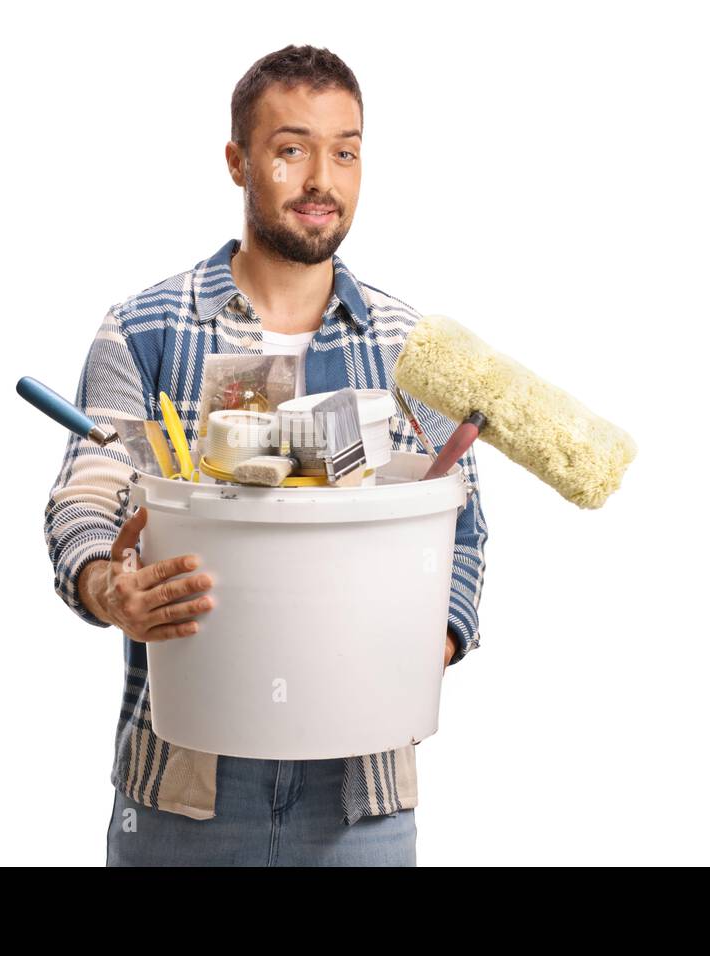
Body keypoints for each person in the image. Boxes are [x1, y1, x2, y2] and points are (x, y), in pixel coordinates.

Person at [43, 44, 488, 866]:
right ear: (237, 161)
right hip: (184, 792)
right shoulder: (145, 329)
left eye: (345, 152)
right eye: (292, 149)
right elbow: (84, 501)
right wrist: (112, 587)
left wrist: (432, 641)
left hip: (363, 798)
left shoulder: (411, 350)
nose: (323, 178)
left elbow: (462, 531)